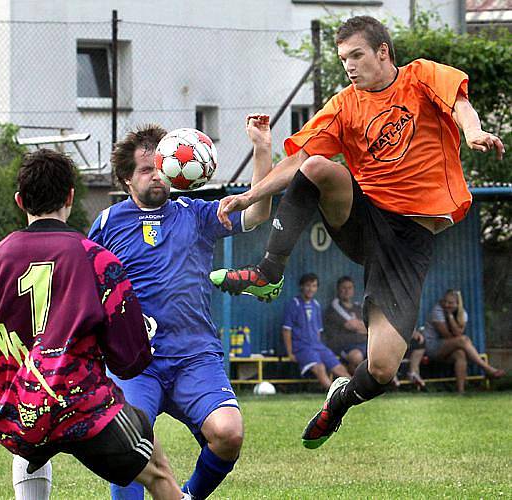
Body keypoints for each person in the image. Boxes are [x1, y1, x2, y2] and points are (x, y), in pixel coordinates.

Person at [210, 15, 505, 449]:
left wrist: (474, 131)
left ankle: (340, 400)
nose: (349, 65)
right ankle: (268, 272)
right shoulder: (345, 104)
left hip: (408, 244)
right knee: (315, 167)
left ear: (382, 51)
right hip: (366, 220)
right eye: (343, 58)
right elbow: (296, 162)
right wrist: (249, 195)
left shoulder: (421, 77)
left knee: (383, 369)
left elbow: (460, 103)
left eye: (356, 55)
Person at [0, 149, 185, 500]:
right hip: (82, 407)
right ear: (71, 197)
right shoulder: (97, 259)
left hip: (14, 413)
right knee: (160, 474)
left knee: (30, 439)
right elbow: (131, 359)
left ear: (19, 201)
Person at [88, 114, 273, 499]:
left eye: (160, 167)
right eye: (145, 170)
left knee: (228, 433)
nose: (156, 175)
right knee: (128, 446)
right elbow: (90, 290)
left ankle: (186, 496)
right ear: (127, 179)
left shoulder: (197, 213)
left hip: (194, 356)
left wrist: (261, 148)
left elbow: (256, 215)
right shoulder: (107, 223)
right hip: (136, 362)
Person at [423, 289, 505, 393]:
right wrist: (449, 315)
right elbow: (447, 335)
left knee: (460, 354)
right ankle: (487, 368)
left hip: (447, 348)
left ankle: (460, 392)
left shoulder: (462, 314)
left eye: (451, 303)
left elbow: (457, 334)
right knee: (463, 340)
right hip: (431, 347)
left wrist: (450, 316)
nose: (447, 305)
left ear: (458, 304)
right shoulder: (437, 310)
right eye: (445, 301)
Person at [282, 273, 350, 389]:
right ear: (301, 287)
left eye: (314, 286)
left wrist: (317, 345)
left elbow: (318, 331)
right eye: (308, 285)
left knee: (339, 368)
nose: (310, 289)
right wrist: (290, 352)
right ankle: (333, 395)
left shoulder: (316, 305)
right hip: (301, 347)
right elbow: (286, 330)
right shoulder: (294, 304)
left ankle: (355, 389)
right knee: (320, 368)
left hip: (317, 346)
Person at [323, 276, 367, 375]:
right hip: (343, 345)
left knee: (380, 353)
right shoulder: (334, 307)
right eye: (344, 288)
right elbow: (353, 325)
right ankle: (356, 384)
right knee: (357, 356)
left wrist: (362, 328)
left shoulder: (358, 307)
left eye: (350, 288)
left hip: (363, 343)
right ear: (338, 290)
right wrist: (361, 327)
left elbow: (370, 326)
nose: (347, 291)